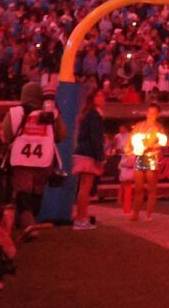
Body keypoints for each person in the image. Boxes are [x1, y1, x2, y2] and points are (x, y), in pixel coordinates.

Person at [5, 81, 60, 240]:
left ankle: (28, 223)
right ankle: (29, 222)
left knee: (23, 194)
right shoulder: (52, 114)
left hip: (21, 161)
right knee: (36, 193)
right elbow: (62, 135)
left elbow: (7, 134)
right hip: (44, 161)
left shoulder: (15, 113)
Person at [71, 82, 107, 229]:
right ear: (92, 98)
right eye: (98, 95)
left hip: (83, 152)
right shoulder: (94, 115)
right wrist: (100, 157)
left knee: (84, 188)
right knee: (86, 188)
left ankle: (81, 218)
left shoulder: (89, 114)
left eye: (102, 95)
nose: (102, 98)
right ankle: (81, 219)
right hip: (88, 153)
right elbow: (95, 138)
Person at [126, 104, 168, 220]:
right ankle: (136, 213)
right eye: (149, 112)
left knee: (151, 188)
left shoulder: (159, 128)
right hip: (140, 156)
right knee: (138, 188)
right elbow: (131, 140)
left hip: (152, 157)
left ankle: (148, 214)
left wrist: (155, 146)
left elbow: (163, 142)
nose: (151, 115)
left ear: (157, 114)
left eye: (154, 113)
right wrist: (130, 152)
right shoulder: (139, 126)